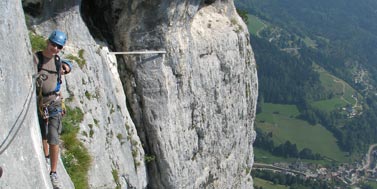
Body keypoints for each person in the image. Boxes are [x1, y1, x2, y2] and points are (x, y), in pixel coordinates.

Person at [33, 30, 71, 188]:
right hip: (41, 102)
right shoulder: (37, 58)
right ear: (48, 42)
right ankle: (46, 155)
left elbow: (68, 63)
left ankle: (53, 172)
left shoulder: (57, 60)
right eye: (53, 44)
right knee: (43, 133)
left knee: (53, 136)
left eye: (59, 46)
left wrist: (67, 67)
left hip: (54, 102)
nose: (55, 48)